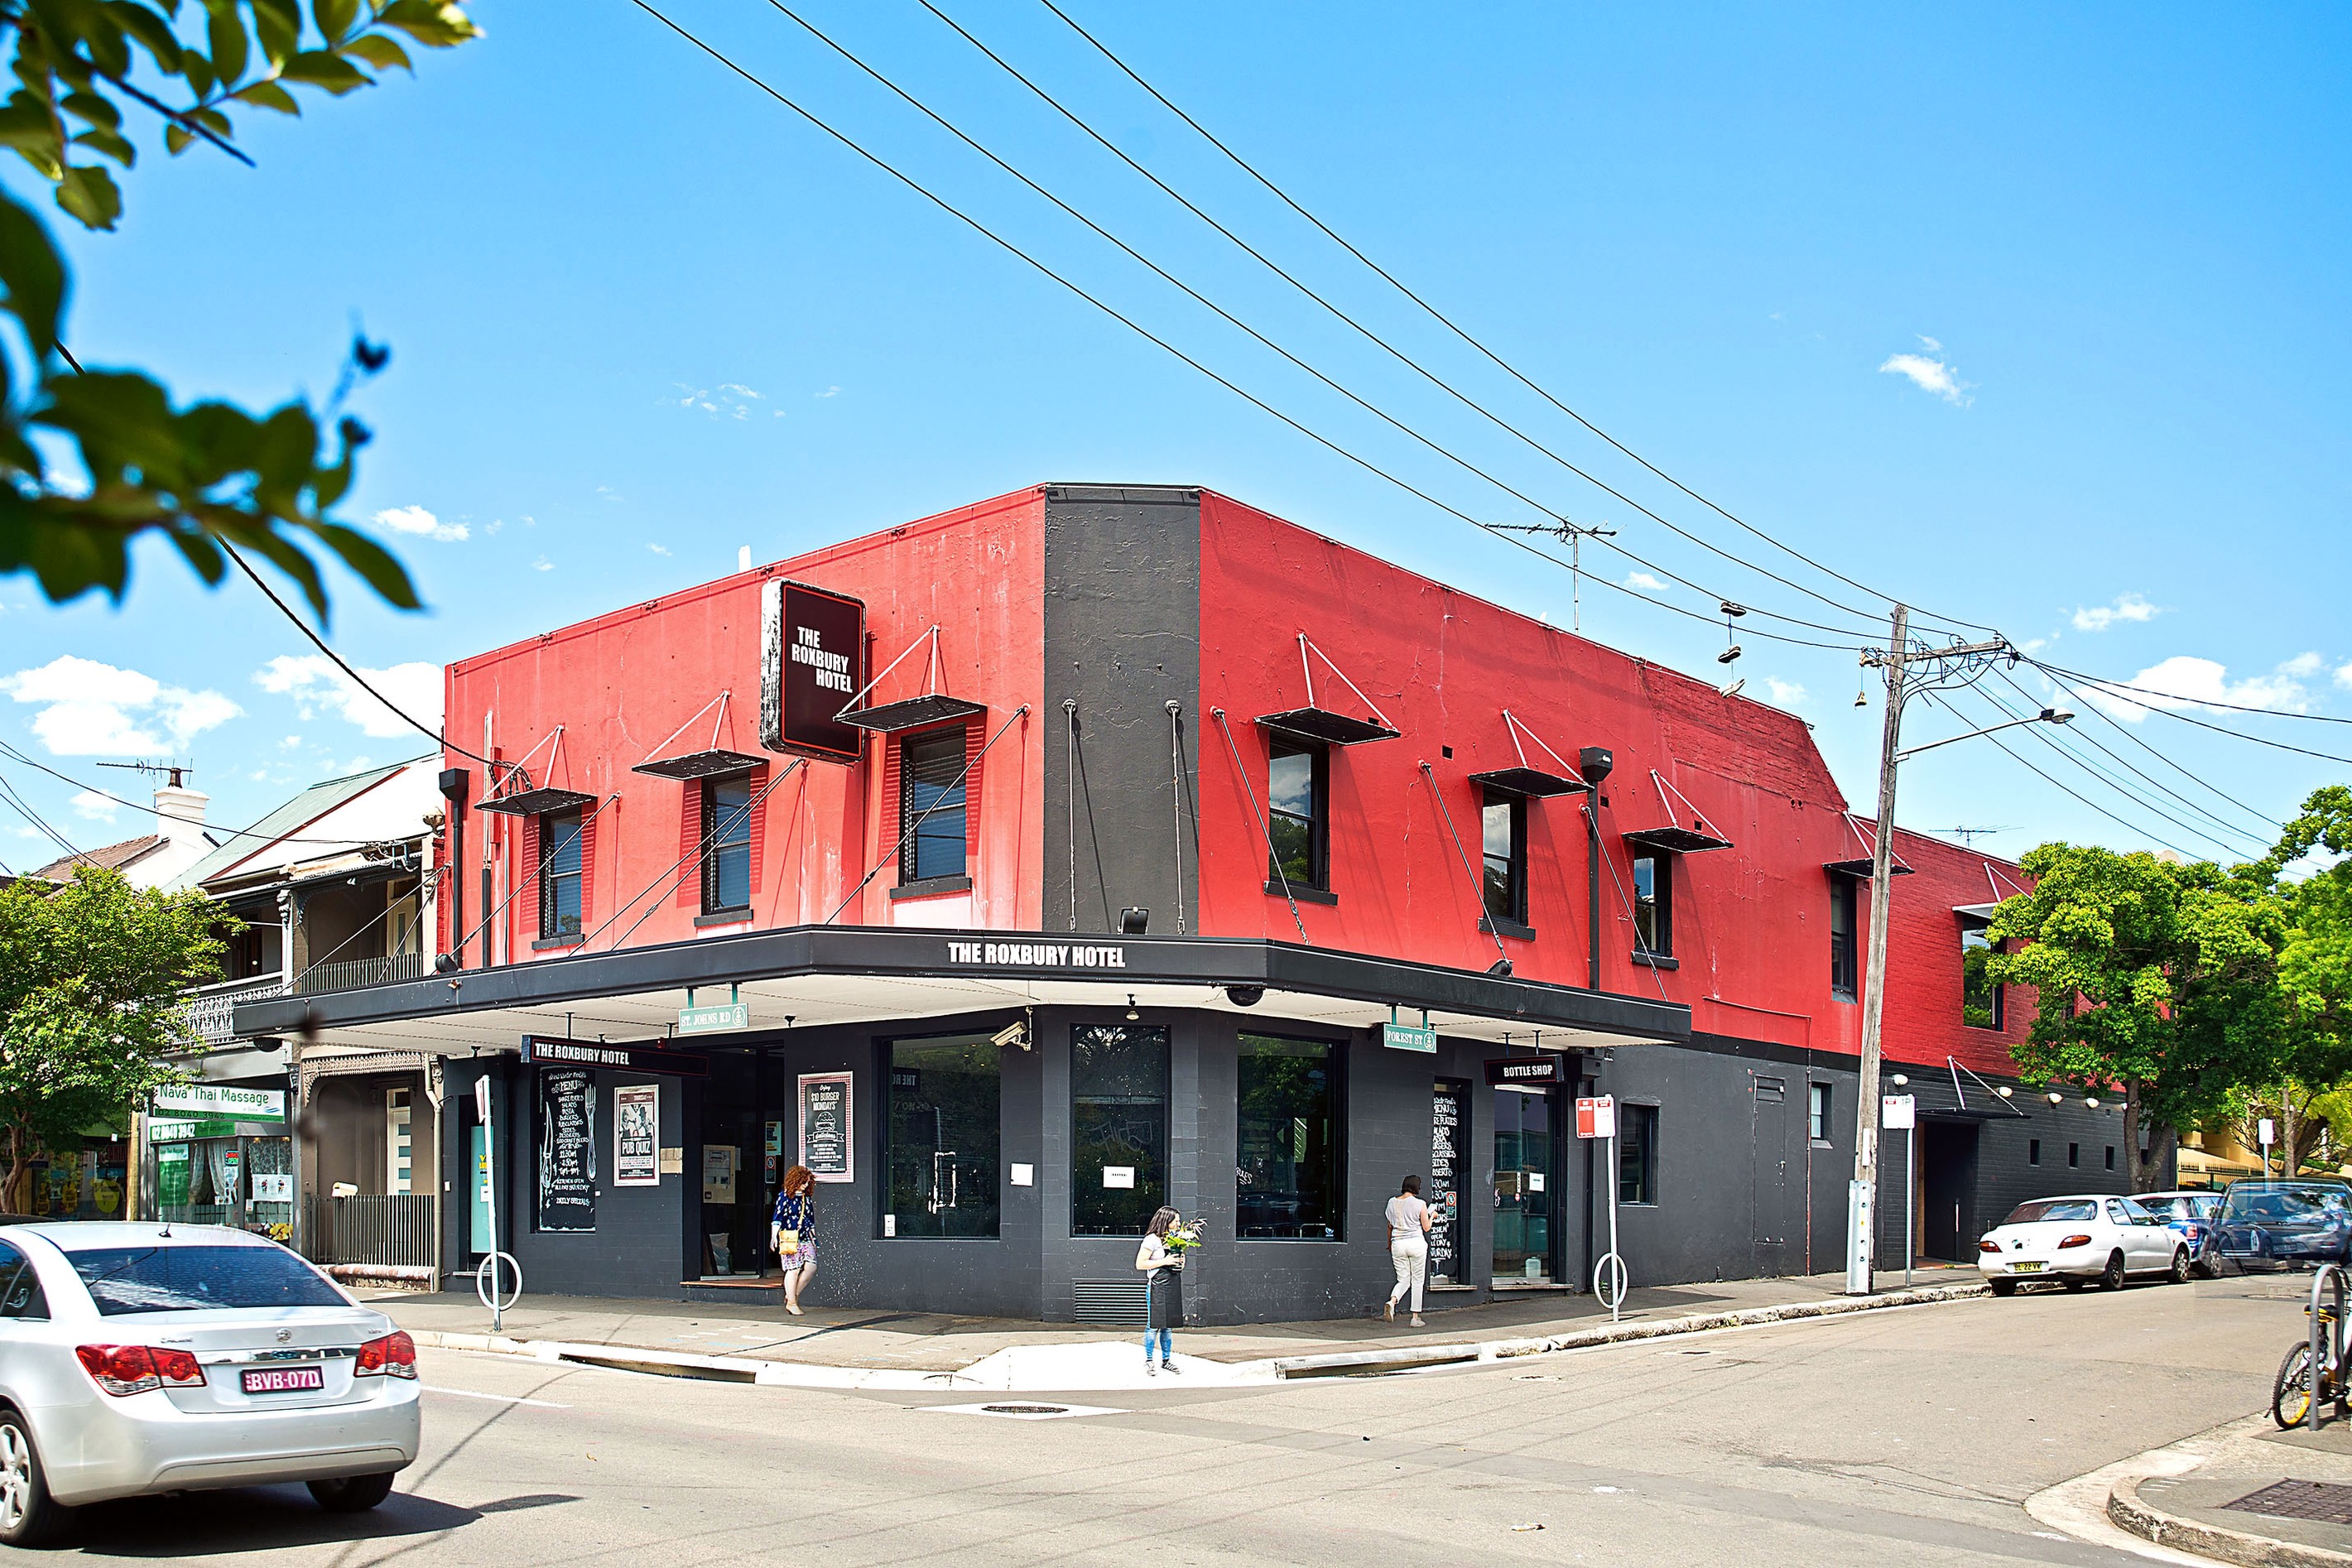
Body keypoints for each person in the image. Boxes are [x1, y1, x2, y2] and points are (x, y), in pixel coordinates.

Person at [1136, 1205, 1186, 1375]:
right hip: (1156, 1286)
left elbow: (1179, 1264)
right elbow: (1140, 1264)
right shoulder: (1152, 1240)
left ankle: (1166, 1360)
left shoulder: (1176, 1239)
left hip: (1172, 1284)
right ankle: (1149, 1361)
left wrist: (1180, 1261)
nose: (1179, 1224)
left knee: (1168, 1327)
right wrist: (1165, 1261)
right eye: (1176, 1221)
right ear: (1166, 1221)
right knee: (1153, 1325)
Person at [1384, 1174, 1433, 1326]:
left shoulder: (1392, 1202)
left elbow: (1390, 1226)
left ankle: (1392, 1302)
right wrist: (1433, 1216)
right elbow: (1426, 1227)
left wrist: (1389, 1244)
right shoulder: (1420, 1204)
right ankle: (1415, 1318)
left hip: (1398, 1244)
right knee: (1417, 1280)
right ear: (1416, 1187)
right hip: (1416, 1243)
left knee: (1403, 1279)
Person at [771, 1164, 818, 1315]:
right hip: (790, 1237)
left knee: (811, 1267)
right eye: (803, 1182)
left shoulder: (806, 1199)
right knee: (794, 1269)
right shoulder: (785, 1196)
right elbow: (777, 1218)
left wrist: (814, 1239)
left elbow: (810, 1221)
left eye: (808, 1182)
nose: (805, 1185)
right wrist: (774, 1237)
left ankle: (793, 1295)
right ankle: (791, 1302)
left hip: (805, 1238)